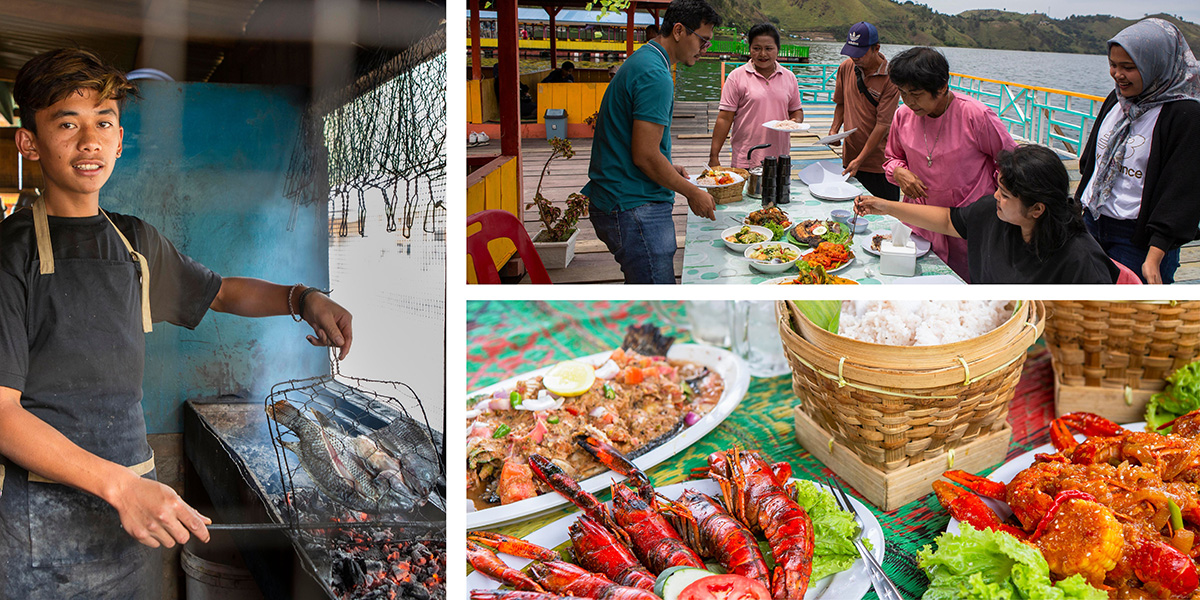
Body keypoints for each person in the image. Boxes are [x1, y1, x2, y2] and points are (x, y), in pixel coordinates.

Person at [0, 48, 354, 598]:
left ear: (120, 140)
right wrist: (121, 488)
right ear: (30, 142)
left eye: (103, 123)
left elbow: (221, 292)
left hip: (129, 515)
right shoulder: (11, 253)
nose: (89, 141)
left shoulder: (133, 243)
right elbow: (2, 414)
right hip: (41, 527)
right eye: (67, 124)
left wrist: (301, 298)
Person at [582, 0, 721, 284]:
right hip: (633, 205)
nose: (705, 49)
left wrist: (667, 166)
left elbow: (637, 143)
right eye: (702, 40)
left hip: (622, 196)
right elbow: (645, 155)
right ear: (679, 31)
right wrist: (692, 192)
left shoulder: (645, 59)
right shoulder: (656, 75)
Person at [855, 145, 1118, 284]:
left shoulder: (1081, 261)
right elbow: (947, 220)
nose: (995, 196)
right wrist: (886, 206)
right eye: (998, 188)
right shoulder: (993, 214)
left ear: (1037, 209)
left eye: (1005, 194)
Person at [1075, 18, 1200, 284]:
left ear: (1157, 65)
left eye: (1129, 67)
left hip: (1139, 240)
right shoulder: (1118, 99)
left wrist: (1155, 255)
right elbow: (1091, 162)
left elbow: (1183, 191)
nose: (1117, 74)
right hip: (1093, 222)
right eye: (1113, 65)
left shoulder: (1185, 114)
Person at [882, 47, 1017, 281]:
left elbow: (1012, 164)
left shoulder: (976, 115)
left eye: (916, 94)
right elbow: (892, 158)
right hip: (920, 222)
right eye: (903, 93)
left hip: (966, 224)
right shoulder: (903, 115)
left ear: (942, 86)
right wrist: (899, 172)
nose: (909, 102)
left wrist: (993, 205)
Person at [707, 23, 803, 169]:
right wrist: (714, 156)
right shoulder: (736, 77)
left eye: (769, 49)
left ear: (778, 49)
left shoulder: (789, 77)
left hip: (780, 158)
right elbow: (724, 118)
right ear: (749, 48)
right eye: (757, 48)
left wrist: (795, 122)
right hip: (745, 158)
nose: (763, 54)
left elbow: (796, 110)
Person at [829, 22, 901, 201]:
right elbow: (841, 102)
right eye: (851, 52)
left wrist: (860, 160)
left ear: (876, 48)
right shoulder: (846, 67)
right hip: (850, 158)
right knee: (851, 210)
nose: (855, 57)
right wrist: (834, 130)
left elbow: (883, 125)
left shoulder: (891, 78)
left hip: (879, 163)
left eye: (860, 53)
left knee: (885, 212)